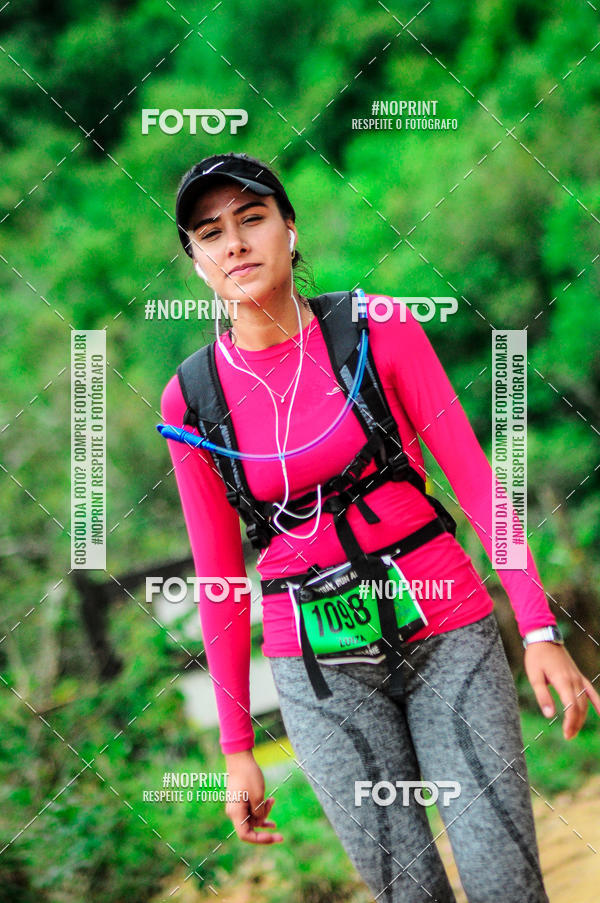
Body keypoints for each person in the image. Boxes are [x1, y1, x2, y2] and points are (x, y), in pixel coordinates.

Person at [160, 152, 600, 903]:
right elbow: (220, 579)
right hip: (321, 675)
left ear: (289, 231)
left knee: (503, 879)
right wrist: (237, 747)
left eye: (252, 218)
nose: (234, 243)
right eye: (210, 232)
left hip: (447, 631)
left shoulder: (378, 329)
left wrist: (537, 630)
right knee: (407, 892)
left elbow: (476, 480)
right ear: (198, 262)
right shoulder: (191, 400)